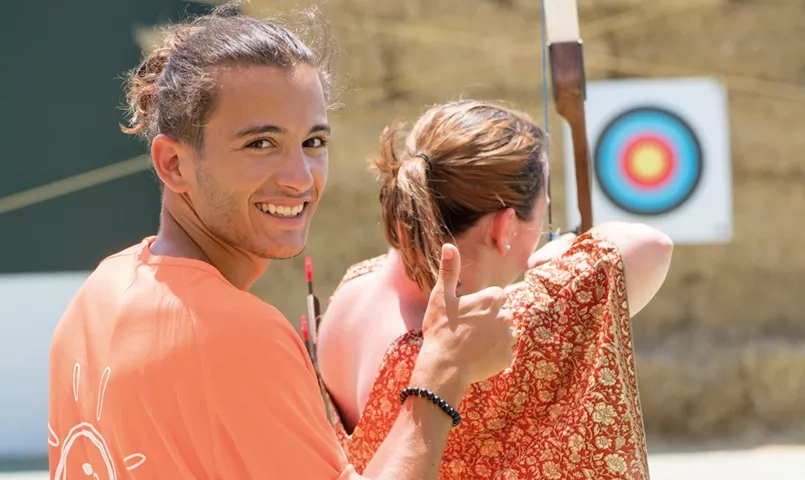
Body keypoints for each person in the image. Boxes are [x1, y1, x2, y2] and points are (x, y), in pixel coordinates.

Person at [46, 6, 517, 479]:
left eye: (313, 142)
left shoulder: (100, 292)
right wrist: (443, 371)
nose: (300, 178)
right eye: (260, 144)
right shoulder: (236, 333)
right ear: (173, 163)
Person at [316, 99, 674, 479]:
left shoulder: (353, 290)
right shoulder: (484, 339)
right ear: (504, 228)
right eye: (542, 213)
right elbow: (653, 247)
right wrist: (570, 255)